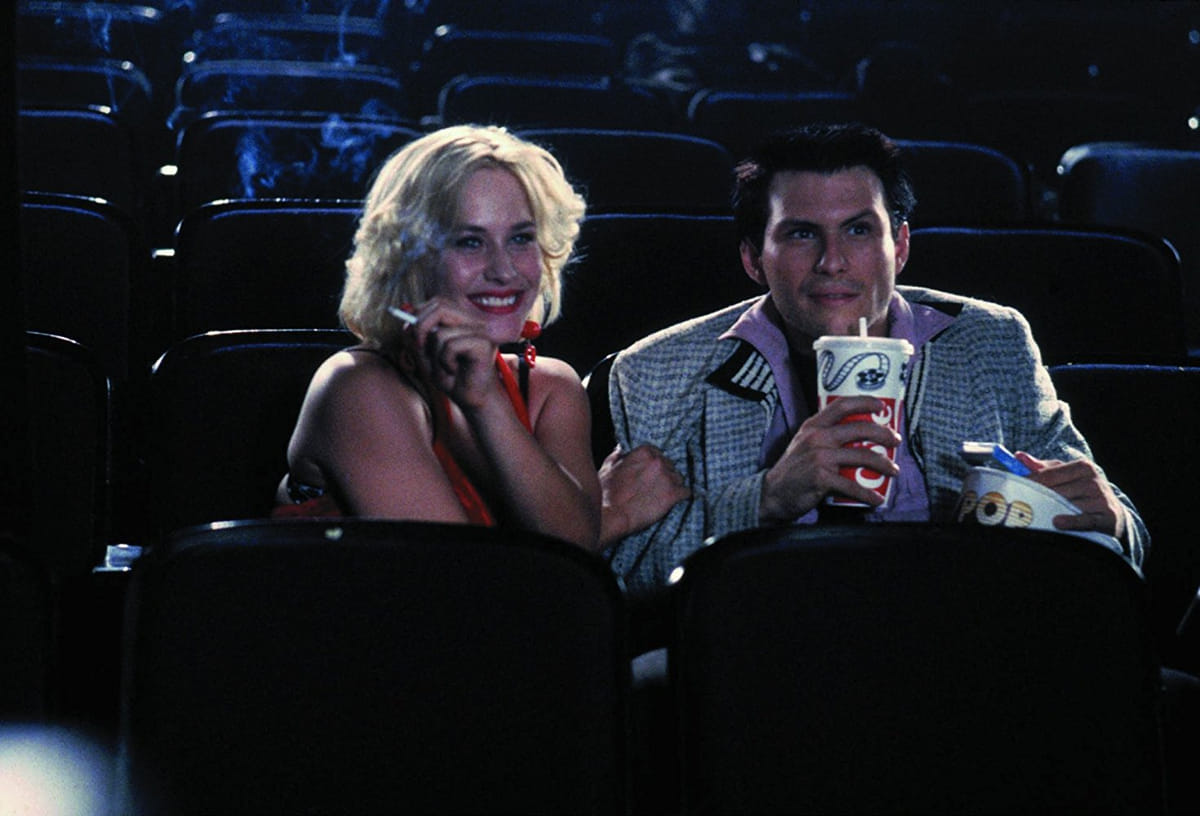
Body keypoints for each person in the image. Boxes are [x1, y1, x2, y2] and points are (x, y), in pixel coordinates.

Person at [605, 122, 1148, 595]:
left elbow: (1123, 536)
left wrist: (1115, 521)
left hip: (970, 625)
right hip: (770, 635)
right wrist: (767, 499)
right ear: (753, 258)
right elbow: (626, 573)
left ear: (901, 246)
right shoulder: (656, 371)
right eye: (801, 234)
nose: (833, 262)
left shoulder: (990, 341)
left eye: (859, 230)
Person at [275, 124, 683, 552]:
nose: (504, 270)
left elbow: (571, 543)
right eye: (470, 242)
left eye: (521, 238)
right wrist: (612, 519)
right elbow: (462, 577)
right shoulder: (357, 387)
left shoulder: (550, 387)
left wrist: (486, 401)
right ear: (408, 259)